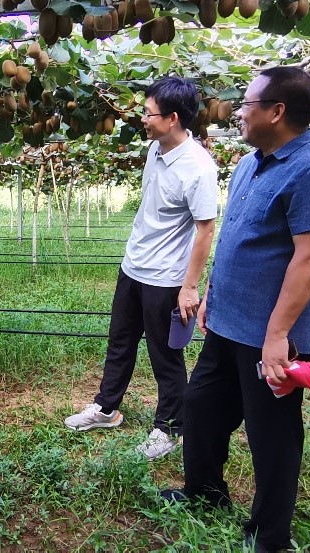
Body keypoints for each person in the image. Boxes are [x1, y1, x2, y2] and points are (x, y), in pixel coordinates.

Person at [161, 66, 310, 553]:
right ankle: (204, 491)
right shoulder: (250, 163)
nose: (238, 112)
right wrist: (212, 295)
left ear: (277, 111)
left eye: (247, 104)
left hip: (271, 335)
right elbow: (237, 239)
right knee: (200, 408)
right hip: (228, 322)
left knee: (272, 434)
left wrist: (278, 335)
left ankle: (270, 535)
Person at [64, 76, 218, 460]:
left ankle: (170, 427)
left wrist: (189, 287)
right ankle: (107, 408)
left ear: (173, 118)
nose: (143, 119)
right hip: (133, 266)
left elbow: (205, 230)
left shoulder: (198, 167)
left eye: (149, 114)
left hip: (166, 278)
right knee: (120, 341)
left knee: (165, 356)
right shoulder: (154, 150)